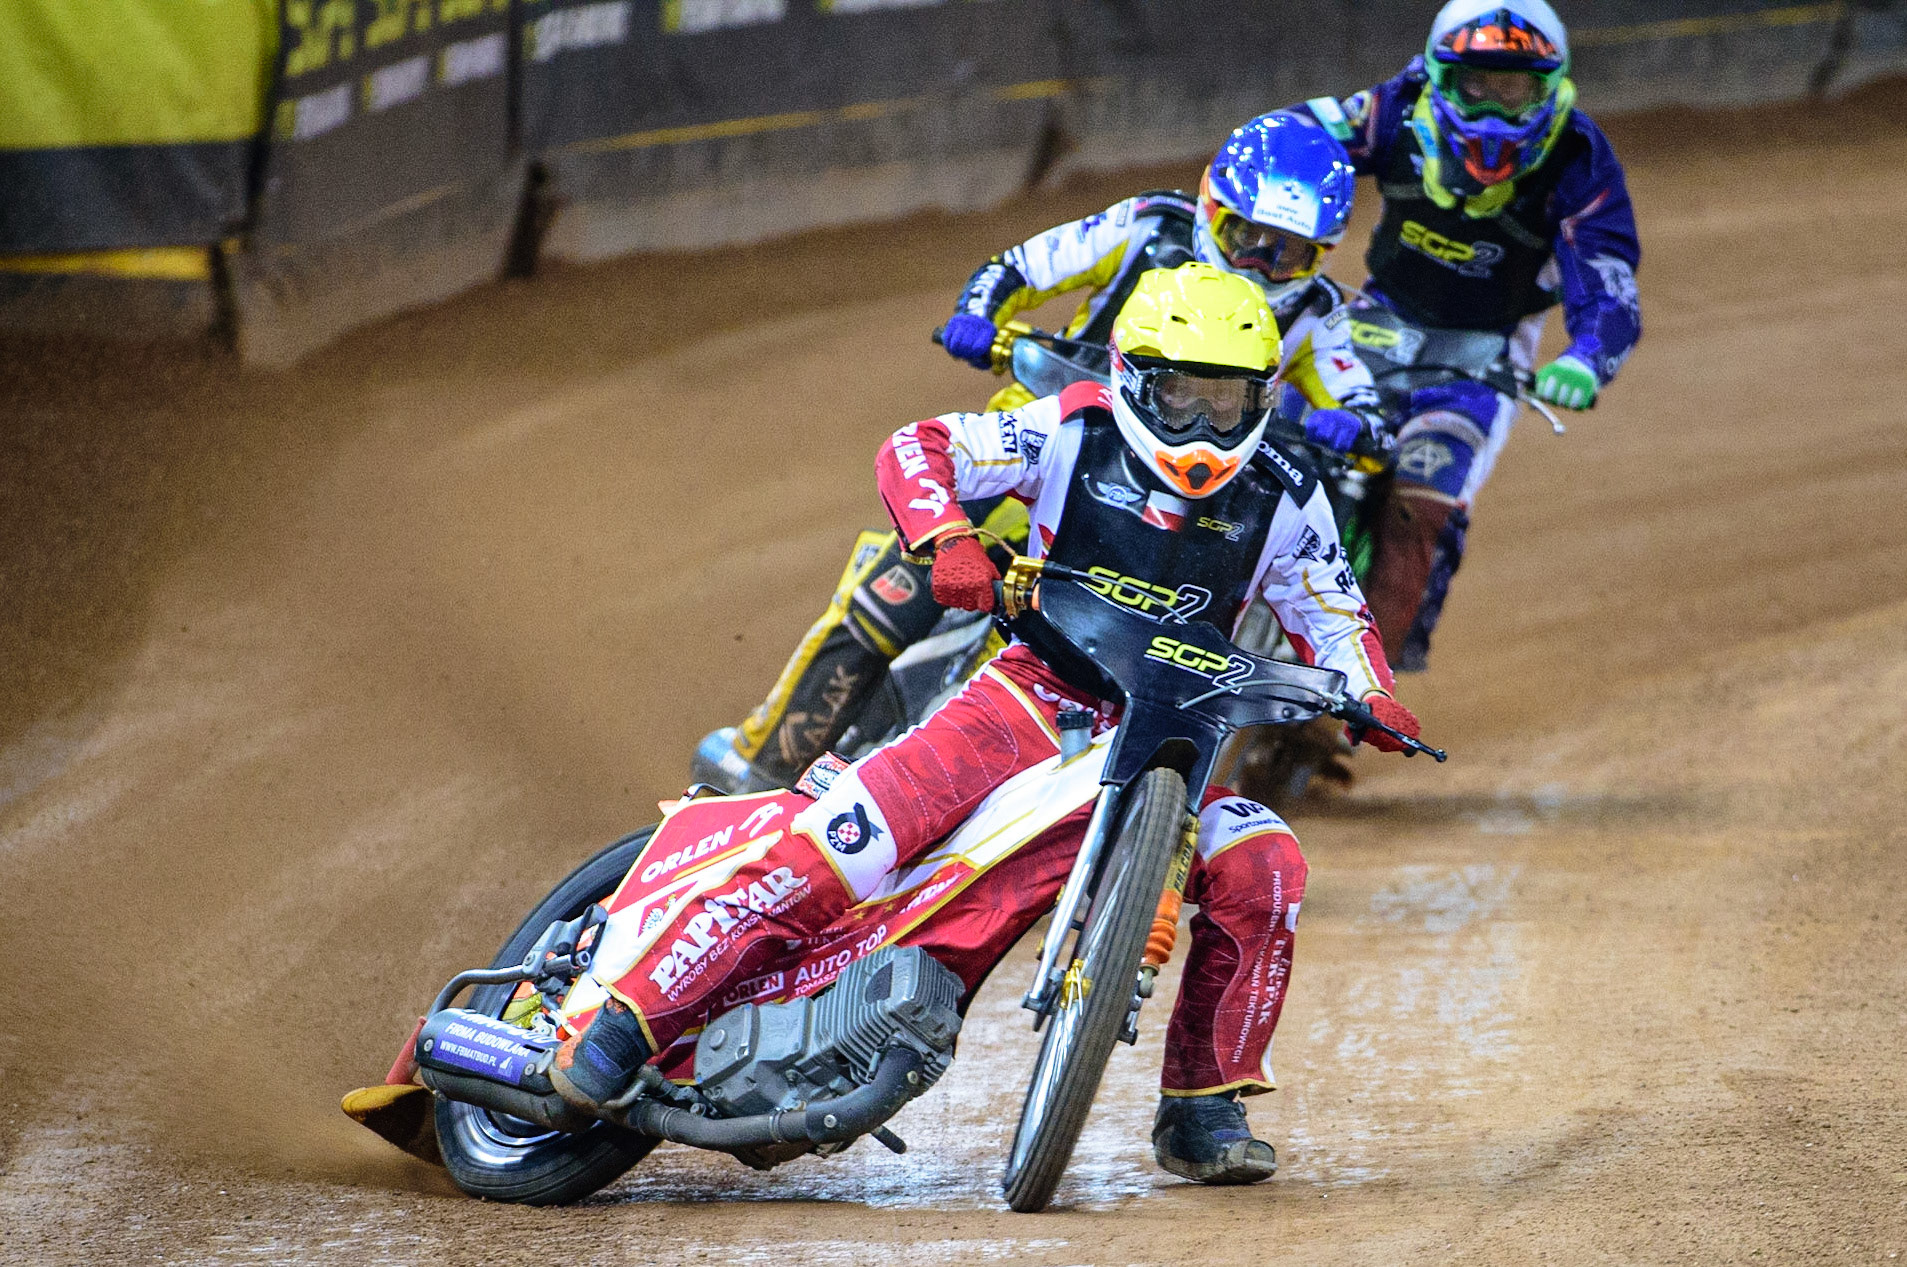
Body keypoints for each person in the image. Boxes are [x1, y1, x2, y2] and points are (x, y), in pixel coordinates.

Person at [556, 264, 1422, 1185]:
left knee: (1265, 862)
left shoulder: (1286, 489)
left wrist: (1369, 691)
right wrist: (948, 538)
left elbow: (1334, 608)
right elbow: (918, 444)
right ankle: (626, 1019)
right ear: (1135, 379)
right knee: (845, 844)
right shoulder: (1073, 426)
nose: (1204, 426)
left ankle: (1201, 1110)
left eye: (1228, 400)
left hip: (1171, 733)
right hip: (1023, 701)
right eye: (1182, 395)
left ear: (1263, 397)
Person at [693, 110, 1386, 795]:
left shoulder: (1319, 312)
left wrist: (1354, 427)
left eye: (1287, 252)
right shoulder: (1148, 225)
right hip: (1039, 452)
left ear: (1321, 255)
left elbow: (1366, 405)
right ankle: (761, 767)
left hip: (1166, 499)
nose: (1261, 263)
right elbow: (1022, 266)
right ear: (1211, 208)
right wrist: (977, 313)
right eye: (1246, 237)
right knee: (890, 599)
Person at [1294, 0, 1642, 668]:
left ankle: (1367, 686)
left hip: (1486, 352)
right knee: (1271, 444)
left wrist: (1587, 357)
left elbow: (1607, 274)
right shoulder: (1395, 108)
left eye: (1512, 89)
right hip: (1372, 321)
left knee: (1422, 507)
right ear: (1439, 76)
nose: (1491, 110)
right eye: (1475, 83)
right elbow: (1297, 136)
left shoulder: (1577, 157)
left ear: (1549, 88)